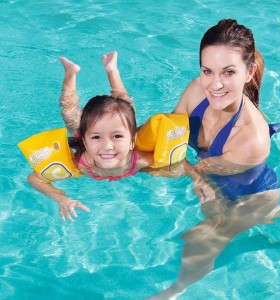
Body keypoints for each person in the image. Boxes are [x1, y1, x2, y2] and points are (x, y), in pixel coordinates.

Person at [146, 19, 280, 299]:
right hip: (215, 178)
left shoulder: (252, 139)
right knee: (214, 222)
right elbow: (171, 139)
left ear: (249, 72)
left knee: (203, 239)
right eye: (207, 71)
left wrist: (152, 165)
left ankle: (175, 291)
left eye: (228, 72)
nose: (214, 84)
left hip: (252, 194)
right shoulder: (196, 90)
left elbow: (190, 168)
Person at [27, 51, 207, 222]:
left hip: (119, 132)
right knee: (69, 113)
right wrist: (61, 199)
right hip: (90, 128)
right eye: (96, 138)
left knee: (124, 108)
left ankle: (112, 70)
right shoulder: (80, 163)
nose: (107, 146)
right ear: (84, 141)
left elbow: (180, 163)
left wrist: (198, 179)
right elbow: (34, 179)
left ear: (132, 142)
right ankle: (70, 72)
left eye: (117, 137)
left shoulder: (138, 160)